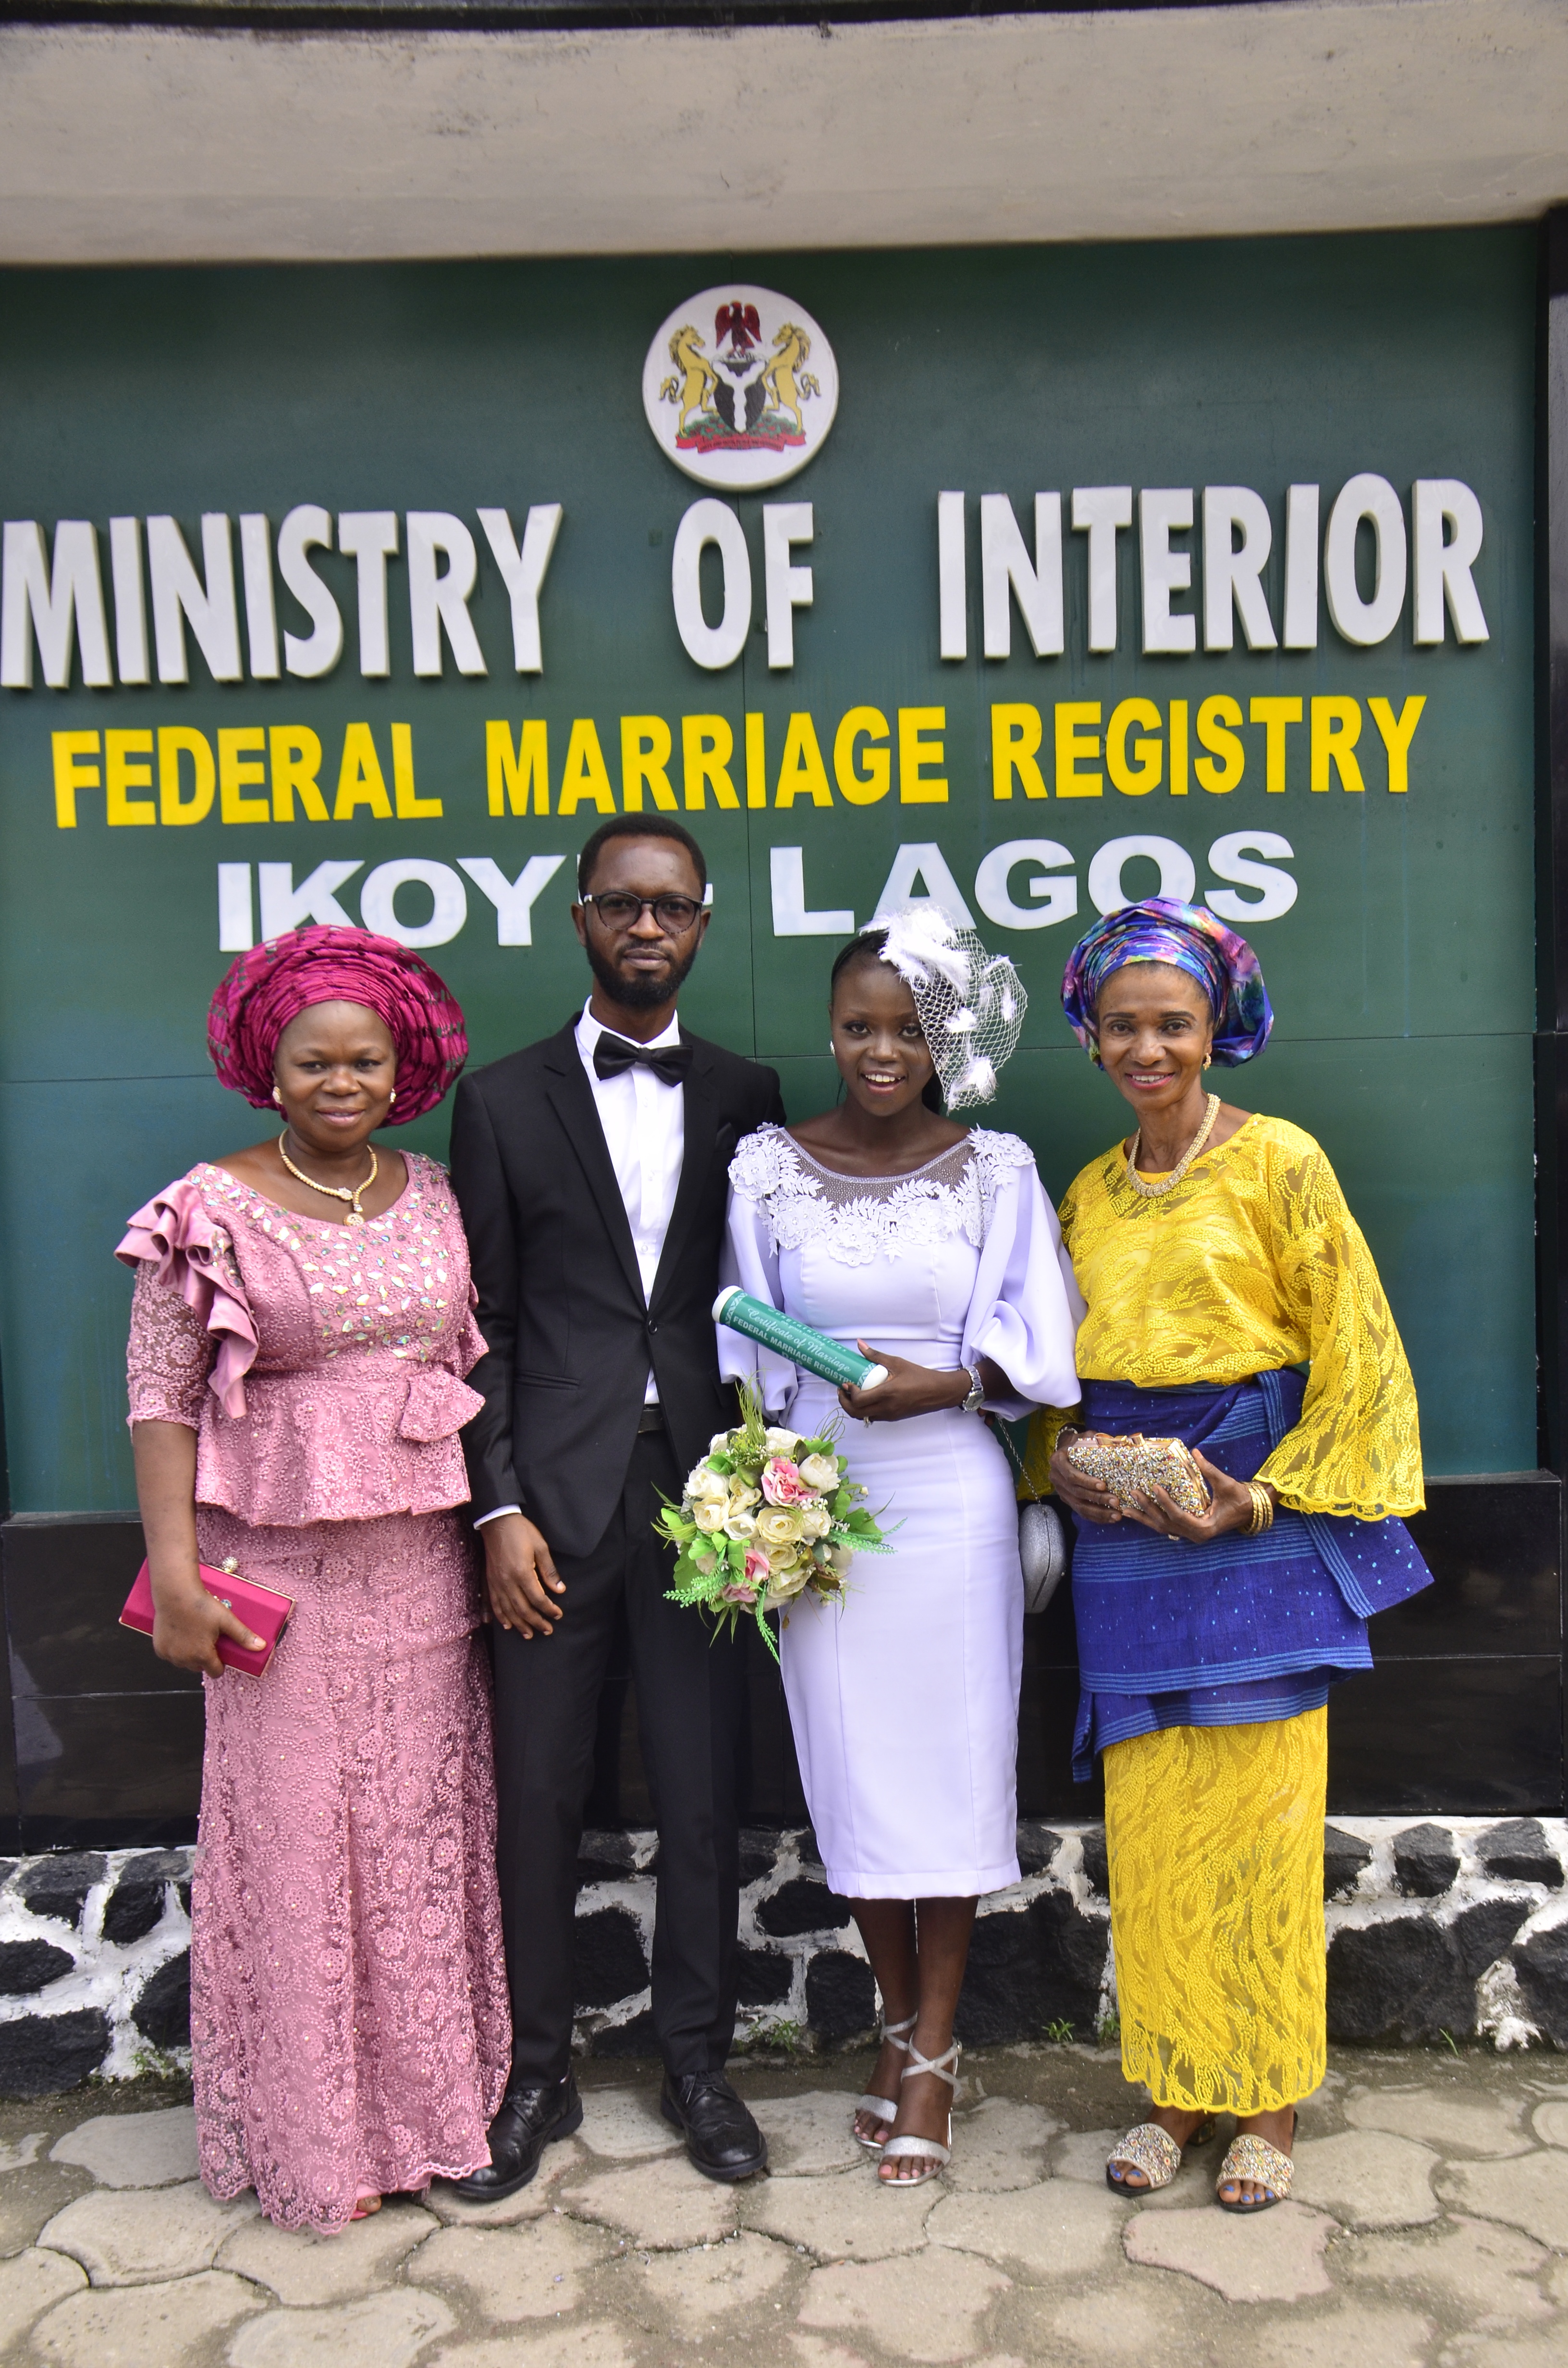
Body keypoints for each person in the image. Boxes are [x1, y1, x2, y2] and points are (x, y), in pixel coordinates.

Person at [1022, 896, 1432, 2212]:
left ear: (1217, 1031)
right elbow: (1052, 1369)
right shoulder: (1087, 1192)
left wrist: (1255, 1501)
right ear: (1090, 1035)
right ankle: (1173, 2092)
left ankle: (1268, 2104)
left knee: (1261, 1827)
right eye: (1123, 1025)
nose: (1148, 1049)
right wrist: (1064, 1459)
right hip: (1128, 1542)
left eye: (1174, 1024)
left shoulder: (1280, 1164)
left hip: (1252, 1524)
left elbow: (1360, 1354)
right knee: (1152, 1832)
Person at [119, 925, 507, 2232]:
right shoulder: (206, 1208)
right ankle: (317, 2142)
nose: (342, 1083)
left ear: (403, 1071)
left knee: (416, 1843)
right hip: (272, 1569)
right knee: (296, 1849)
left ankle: (433, 2124)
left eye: (366, 1062)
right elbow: (161, 1399)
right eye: (314, 1063)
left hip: (422, 1569)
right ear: (267, 1070)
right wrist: (175, 1577)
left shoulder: (435, 1192)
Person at [450, 814, 786, 2197]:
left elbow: (766, 1296)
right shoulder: (499, 1100)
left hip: (703, 1496)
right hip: (549, 1504)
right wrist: (496, 1509)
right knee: (537, 1793)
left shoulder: (751, 1091)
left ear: (703, 923)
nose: (648, 926)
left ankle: (697, 2064)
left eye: (673, 906)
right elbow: (479, 1325)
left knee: (703, 1792)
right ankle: (536, 2074)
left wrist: (768, 1477)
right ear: (581, 915)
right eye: (622, 903)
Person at [721, 909, 1082, 2183]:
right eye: (861, 1025)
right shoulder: (765, 1169)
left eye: (912, 1030)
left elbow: (1044, 1341)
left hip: (950, 1493)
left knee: (952, 1764)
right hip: (822, 1502)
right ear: (830, 1029)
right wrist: (762, 1493)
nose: (884, 1051)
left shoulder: (997, 1170)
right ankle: (896, 2025)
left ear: (947, 1042)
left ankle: (933, 2048)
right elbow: (743, 1342)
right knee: (857, 1771)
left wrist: (950, 1384)